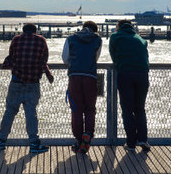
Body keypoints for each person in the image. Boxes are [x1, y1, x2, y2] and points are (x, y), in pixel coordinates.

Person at [0, 23, 54, 154]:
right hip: (33, 83)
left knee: (9, 112)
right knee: (31, 113)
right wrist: (46, 73)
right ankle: (33, 143)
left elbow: (11, 56)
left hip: (16, 81)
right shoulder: (41, 40)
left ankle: (1, 141)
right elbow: (45, 59)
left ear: (23, 31)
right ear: (35, 31)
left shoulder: (16, 39)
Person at [109, 19, 151, 152]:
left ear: (118, 27)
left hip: (125, 74)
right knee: (140, 109)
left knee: (127, 110)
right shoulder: (140, 39)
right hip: (142, 75)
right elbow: (146, 56)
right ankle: (143, 140)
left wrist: (120, 64)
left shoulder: (115, 36)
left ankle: (131, 143)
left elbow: (113, 54)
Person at [62, 21, 102, 154]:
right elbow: (96, 58)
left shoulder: (71, 38)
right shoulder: (97, 39)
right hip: (90, 76)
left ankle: (79, 140)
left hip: (74, 76)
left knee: (76, 109)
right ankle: (88, 134)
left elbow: (65, 58)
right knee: (90, 109)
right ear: (95, 29)